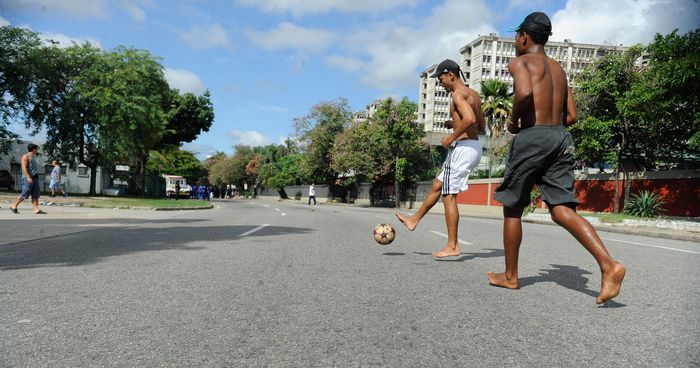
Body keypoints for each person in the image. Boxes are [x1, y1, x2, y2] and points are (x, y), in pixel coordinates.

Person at [486, 12, 625, 304]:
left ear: (524, 37)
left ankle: (511, 277)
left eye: (516, 36)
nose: (515, 41)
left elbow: (523, 92)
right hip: (561, 136)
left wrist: (514, 124)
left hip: (532, 136)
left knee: (512, 208)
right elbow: (572, 116)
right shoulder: (558, 70)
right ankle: (608, 264)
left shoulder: (520, 62)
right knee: (561, 208)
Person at [396, 59, 484, 258]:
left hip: (463, 148)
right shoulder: (474, 95)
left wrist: (451, 137)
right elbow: (479, 126)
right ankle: (414, 220)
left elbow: (469, 119)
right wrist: (453, 122)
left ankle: (453, 246)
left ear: (451, 75)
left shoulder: (458, 94)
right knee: (438, 185)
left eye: (441, 79)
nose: (441, 83)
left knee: (449, 195)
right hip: (473, 146)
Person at [9, 143, 45, 214]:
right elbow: (24, 168)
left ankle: (36, 209)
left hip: (35, 178)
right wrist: (28, 177)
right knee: (25, 193)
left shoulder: (33, 157)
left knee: (35, 195)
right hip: (27, 178)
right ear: (33, 149)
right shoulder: (25, 156)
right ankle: (14, 205)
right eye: (37, 149)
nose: (37, 150)